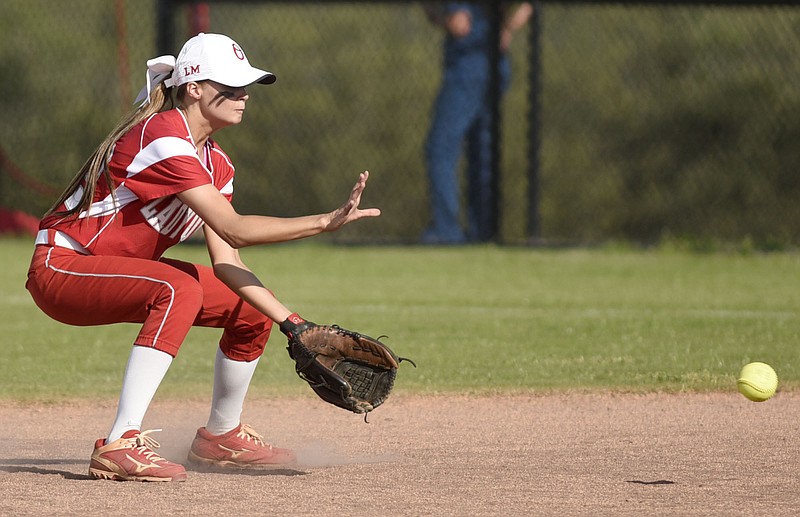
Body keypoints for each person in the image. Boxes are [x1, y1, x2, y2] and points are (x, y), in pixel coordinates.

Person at [25, 33, 380, 482]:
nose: (243, 96)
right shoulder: (161, 135)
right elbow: (235, 226)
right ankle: (119, 441)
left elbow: (228, 259)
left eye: (246, 86)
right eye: (230, 86)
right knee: (178, 289)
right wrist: (322, 222)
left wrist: (293, 323)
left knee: (249, 307)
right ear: (193, 87)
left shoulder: (218, 165)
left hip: (111, 272)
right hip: (62, 267)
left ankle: (221, 436)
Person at [421, 2, 533, 244]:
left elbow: (459, 23)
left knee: (440, 148)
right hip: (489, 64)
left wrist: (438, 16)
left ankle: (447, 230)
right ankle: (482, 230)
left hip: (469, 67)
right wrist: (506, 27)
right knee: (482, 152)